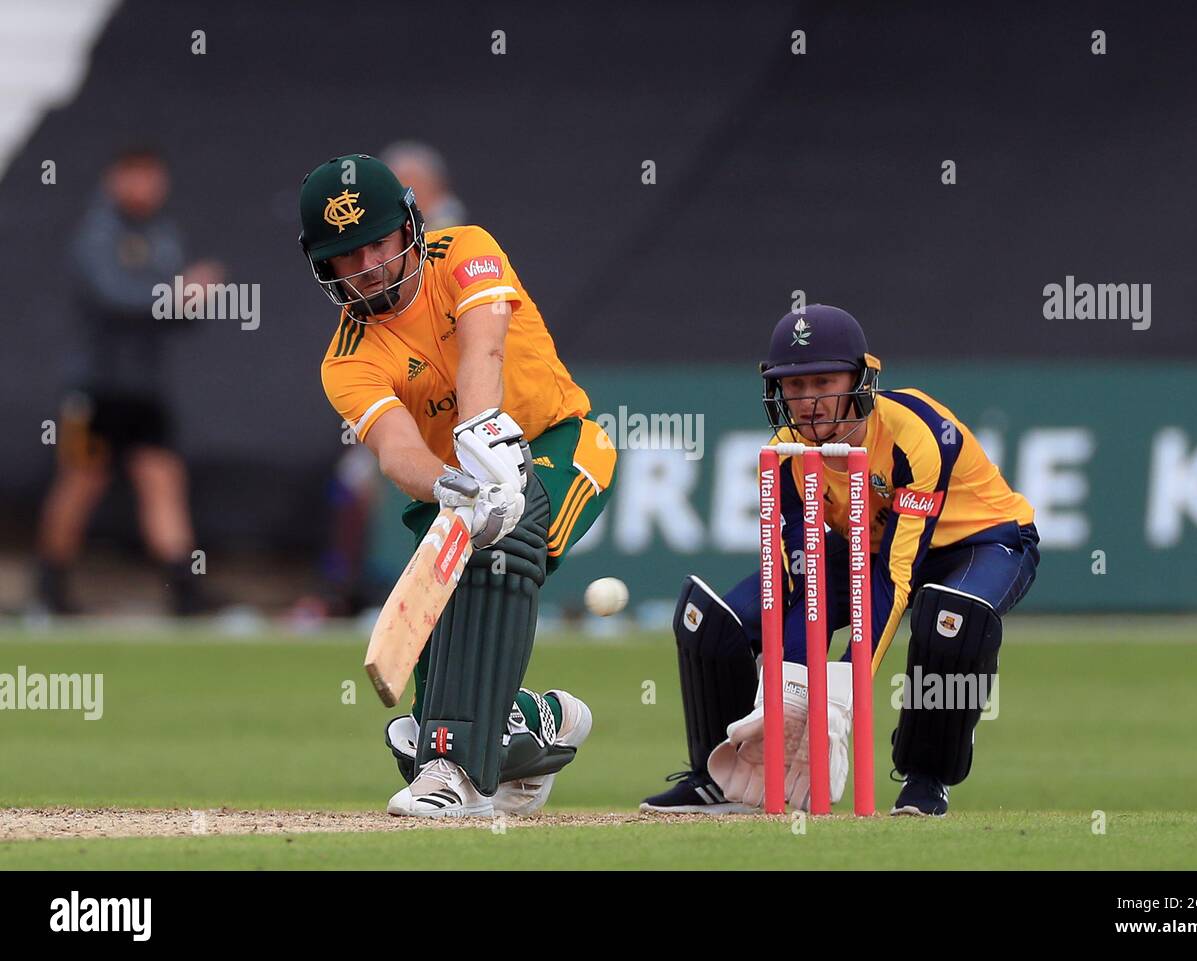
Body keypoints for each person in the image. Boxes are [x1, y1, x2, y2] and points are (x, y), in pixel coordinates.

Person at [300, 153, 616, 817]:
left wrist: (487, 449)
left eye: (376, 245)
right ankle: (529, 725)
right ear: (323, 266)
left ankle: (455, 769)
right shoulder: (346, 359)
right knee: (438, 673)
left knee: (503, 546)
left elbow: (484, 351)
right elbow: (399, 452)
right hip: (448, 492)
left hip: (556, 444)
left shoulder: (466, 251)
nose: (366, 268)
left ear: (409, 227)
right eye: (345, 258)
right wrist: (461, 485)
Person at [641, 304, 1039, 817]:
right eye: (794, 386)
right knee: (716, 623)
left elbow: (898, 579)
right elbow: (794, 582)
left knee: (951, 619)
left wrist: (839, 691)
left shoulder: (917, 434)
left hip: (982, 543)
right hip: (871, 547)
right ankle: (730, 776)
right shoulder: (784, 452)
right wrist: (788, 691)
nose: (807, 402)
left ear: (861, 379)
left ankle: (926, 777)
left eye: (823, 382)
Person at [35, 147, 223, 616]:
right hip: (95, 389)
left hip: (145, 391)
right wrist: (178, 292)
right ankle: (49, 589)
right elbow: (115, 297)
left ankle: (184, 590)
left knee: (162, 479)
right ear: (115, 179)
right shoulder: (97, 234)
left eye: (154, 179)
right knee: (81, 481)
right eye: (136, 178)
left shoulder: (163, 235)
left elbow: (172, 317)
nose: (146, 189)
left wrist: (194, 300)